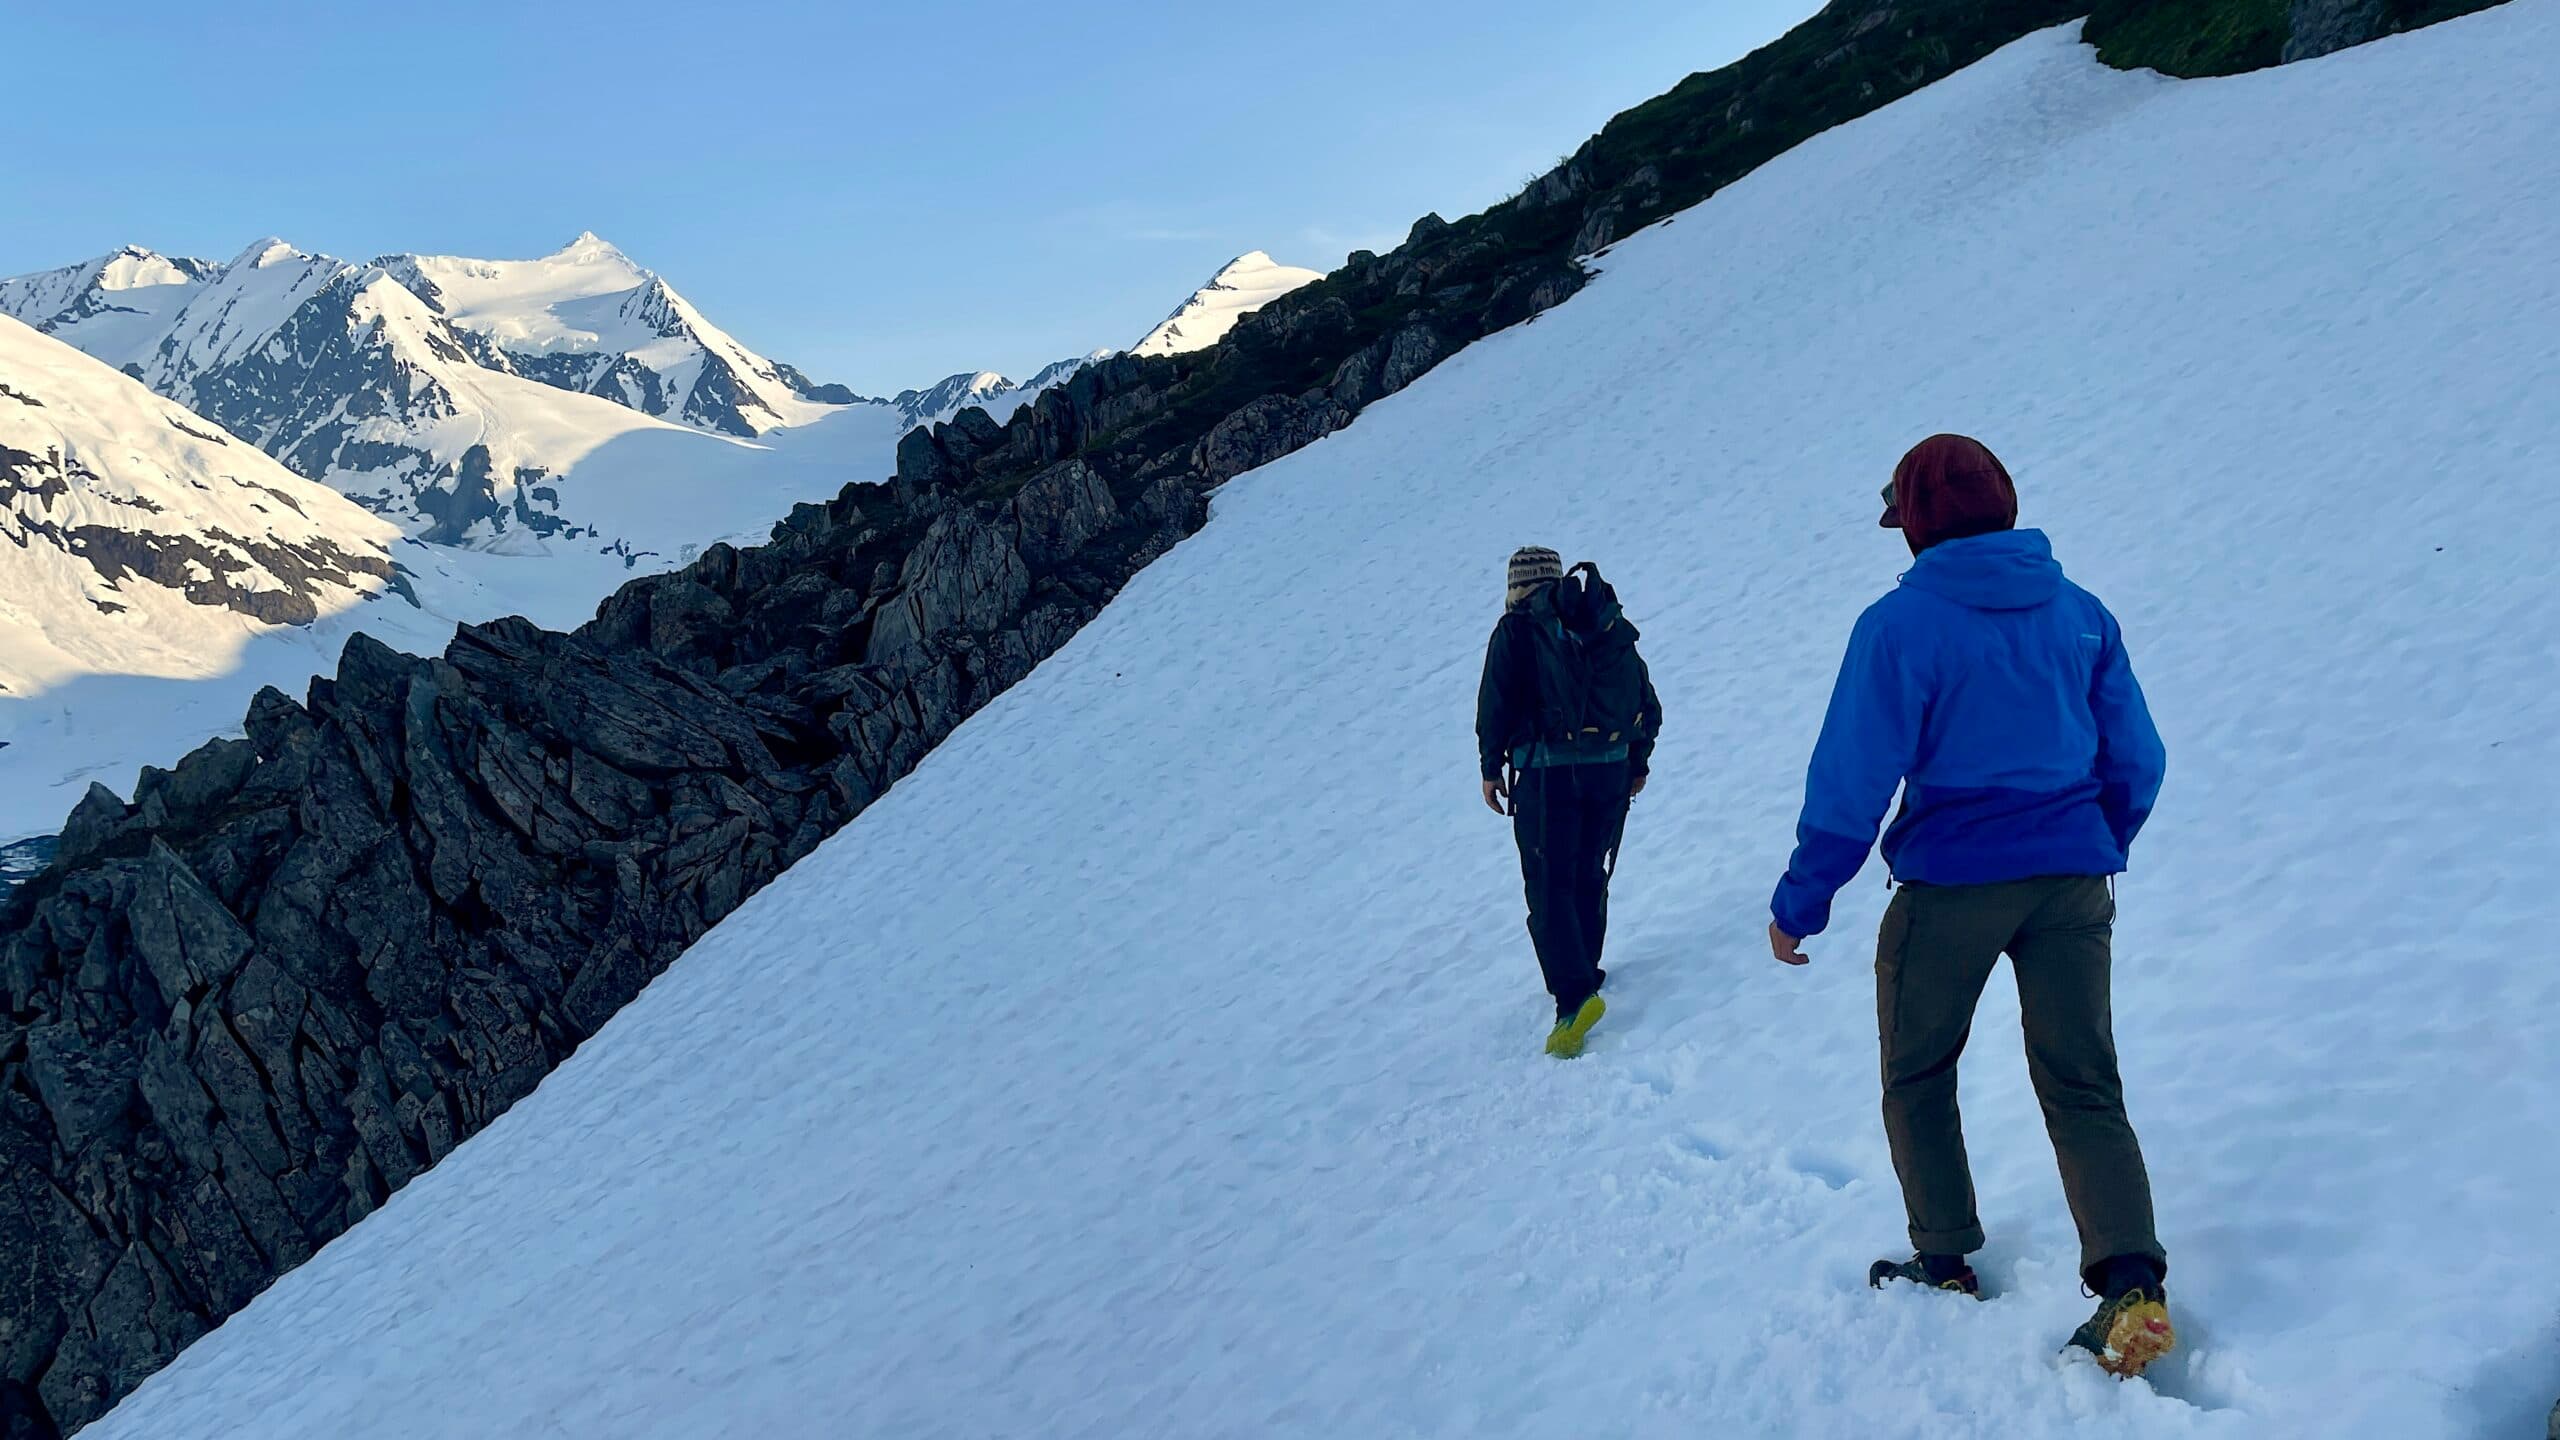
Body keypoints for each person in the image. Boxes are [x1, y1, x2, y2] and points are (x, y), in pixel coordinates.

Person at [1764, 435, 2175, 1377]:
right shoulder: (2081, 613)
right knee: (2082, 1080)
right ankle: (2131, 1286)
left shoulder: (1900, 627)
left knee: (1919, 1071)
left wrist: (1802, 902)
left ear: (1914, 524)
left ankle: (1944, 1257)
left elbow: (1851, 780)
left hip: (1950, 887)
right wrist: (2092, 837)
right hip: (2073, 880)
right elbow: (2138, 757)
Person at [1477, 546, 1662, 1059]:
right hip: (1610, 769)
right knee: (1587, 872)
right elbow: (1646, 700)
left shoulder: (1515, 631)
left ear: (1517, 586)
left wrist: (1491, 767)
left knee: (1548, 886)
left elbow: (1495, 704)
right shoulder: (1602, 622)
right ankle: (1587, 968)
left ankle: (1574, 998)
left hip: (1547, 776)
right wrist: (1637, 762)